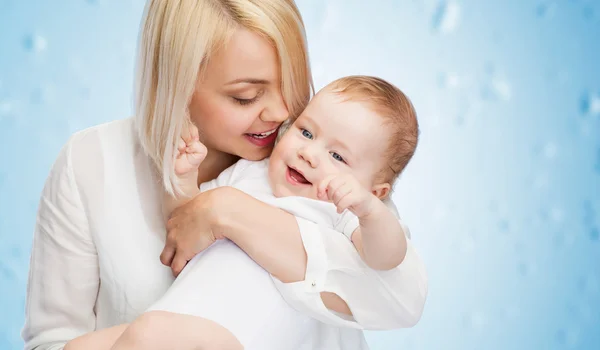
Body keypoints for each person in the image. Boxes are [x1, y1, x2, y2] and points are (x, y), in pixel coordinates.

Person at [22, 1, 428, 350]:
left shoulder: (339, 181)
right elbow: (185, 223)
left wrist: (230, 212)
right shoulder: (91, 162)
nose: (282, 113)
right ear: (176, 84)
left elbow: (400, 295)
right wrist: (186, 185)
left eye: (292, 84)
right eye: (246, 97)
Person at [68, 75, 420, 350]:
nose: (309, 153)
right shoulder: (249, 174)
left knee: (148, 335)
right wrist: (182, 178)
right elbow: (186, 224)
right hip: (184, 311)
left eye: (338, 157)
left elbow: (386, 258)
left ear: (376, 191)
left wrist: (371, 211)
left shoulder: (341, 212)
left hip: (236, 332)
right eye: (307, 131)